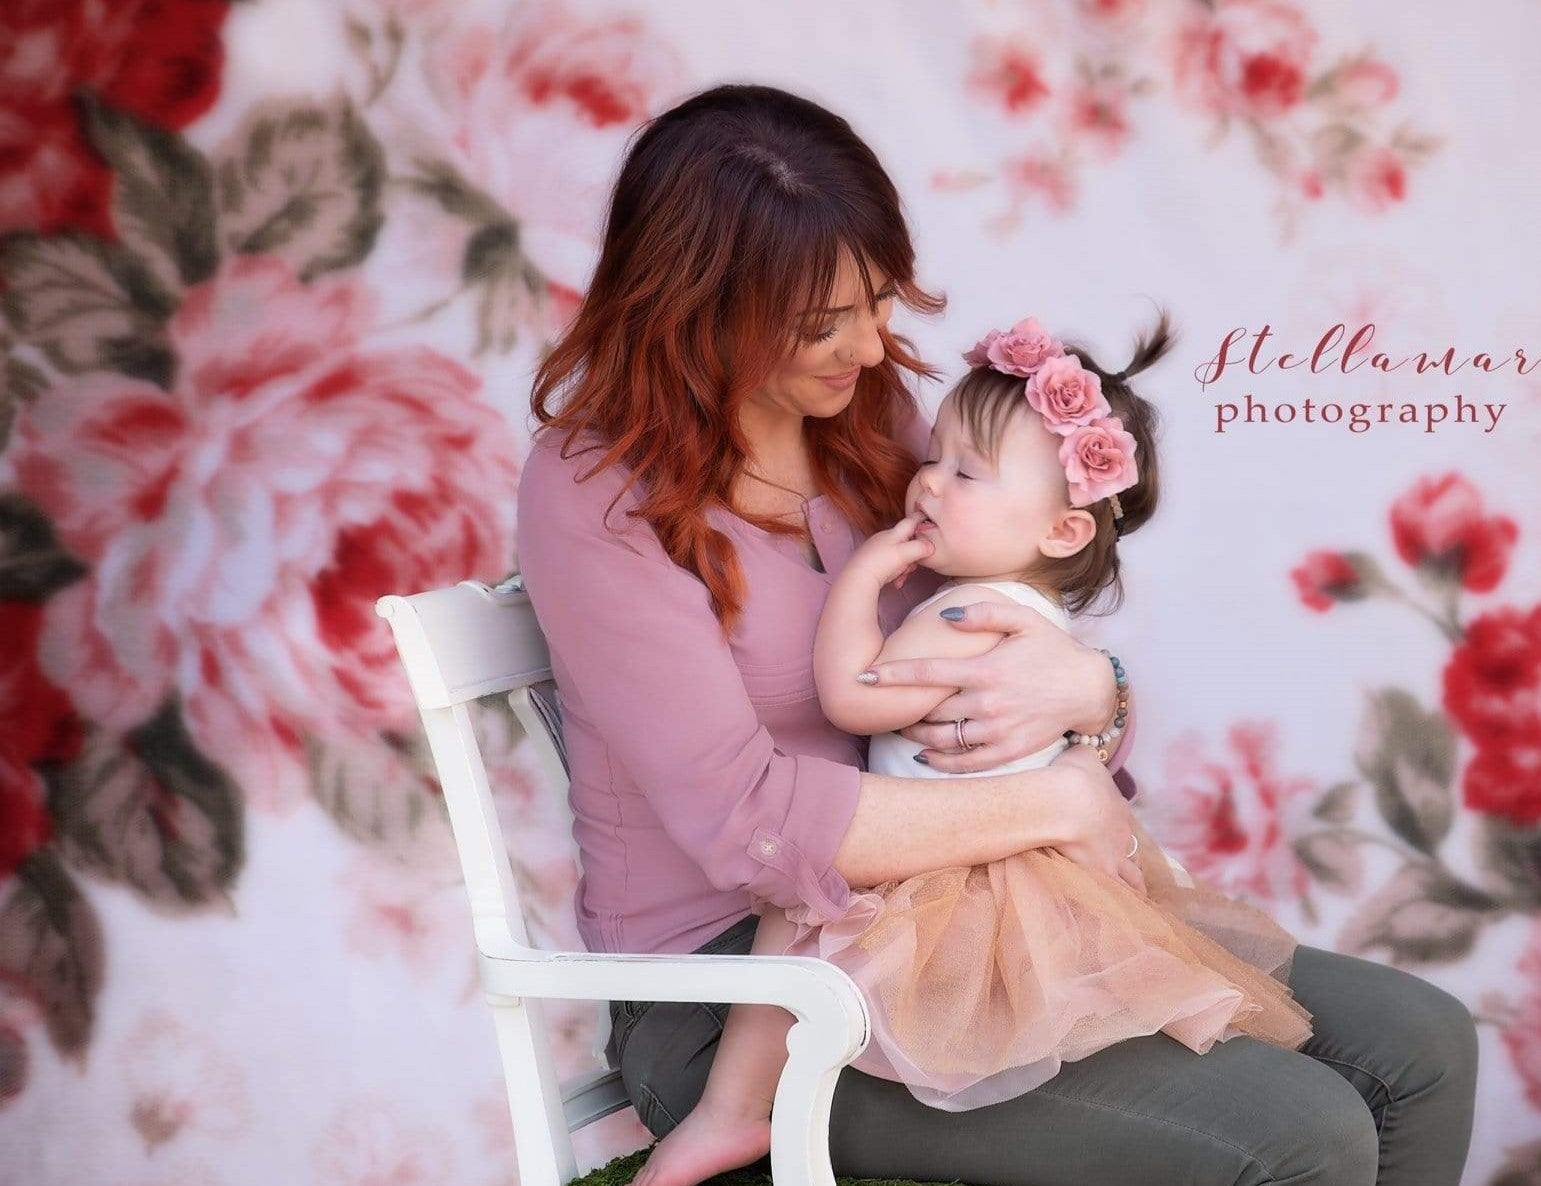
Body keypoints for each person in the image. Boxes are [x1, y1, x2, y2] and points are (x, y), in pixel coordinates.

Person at [515, 82, 1478, 1186]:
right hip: (745, 992)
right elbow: (749, 823)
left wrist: (1092, 691)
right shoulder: (595, 495)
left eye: (878, 300)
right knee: (1303, 1131)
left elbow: (1029, 594)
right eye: (824, 323)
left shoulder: (867, 424)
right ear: (697, 308)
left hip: (960, 912)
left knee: (1424, 1051)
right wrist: (1055, 800)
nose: (875, 346)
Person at [631, 312, 1322, 1185]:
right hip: (1023, 862)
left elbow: (853, 696)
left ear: (1062, 532)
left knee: (795, 911)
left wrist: (859, 582)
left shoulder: (959, 617)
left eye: (964, 472)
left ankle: (732, 1112)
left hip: (949, 874)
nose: (925, 483)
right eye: (933, 459)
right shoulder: (1035, 619)